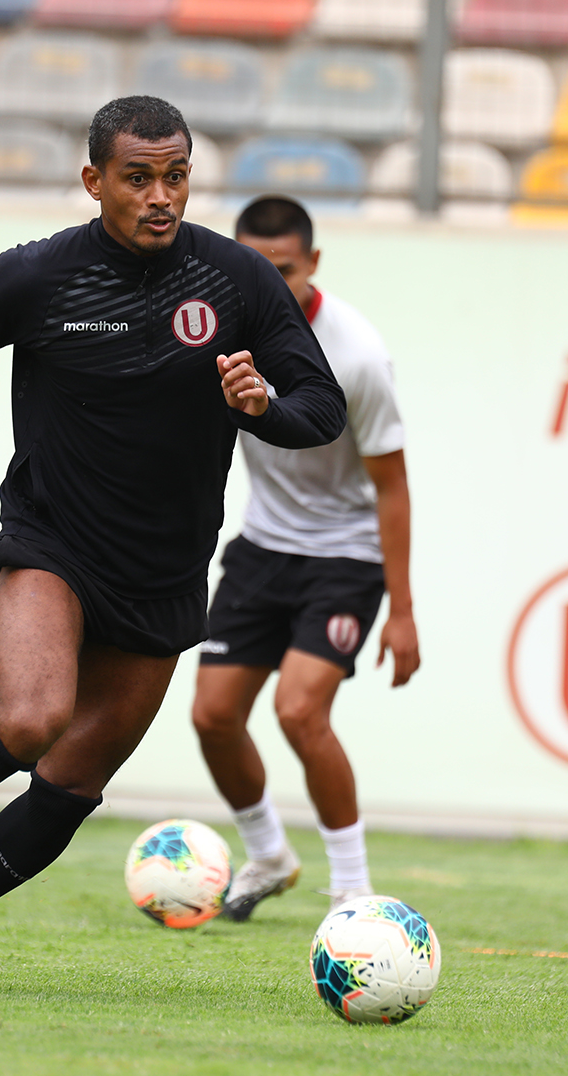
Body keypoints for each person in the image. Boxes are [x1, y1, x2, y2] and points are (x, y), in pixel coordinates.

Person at [0, 98, 347, 983]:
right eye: (138, 177)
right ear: (93, 180)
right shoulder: (37, 275)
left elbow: (322, 407)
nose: (161, 196)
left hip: (163, 571)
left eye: (175, 176)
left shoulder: (235, 279)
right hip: (53, 542)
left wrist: (262, 405)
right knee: (30, 719)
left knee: (69, 786)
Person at [190, 195, 419, 921]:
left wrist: (403, 611)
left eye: (283, 268)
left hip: (344, 558)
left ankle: (352, 887)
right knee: (212, 716)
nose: (269, 281)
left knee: (298, 710)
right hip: (262, 547)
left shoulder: (357, 355)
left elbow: (392, 487)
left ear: (313, 263)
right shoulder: (216, 332)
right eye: (253, 264)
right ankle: (268, 854)